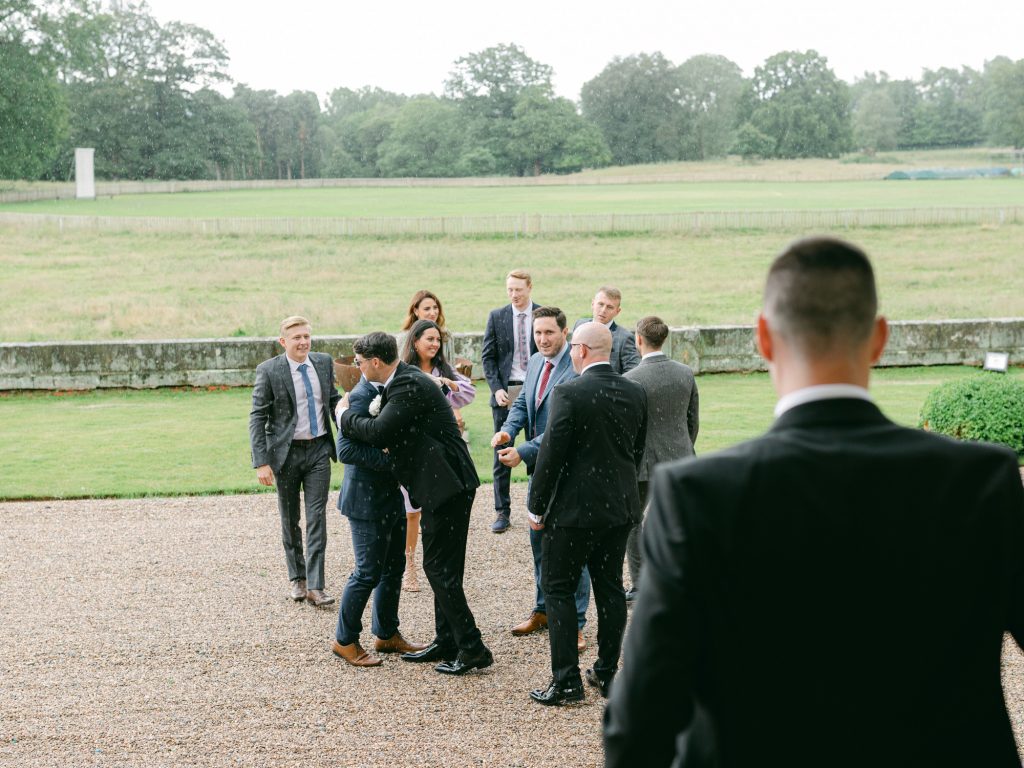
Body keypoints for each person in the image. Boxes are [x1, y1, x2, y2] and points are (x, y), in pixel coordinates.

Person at [604, 236, 1024, 767]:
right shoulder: (981, 479)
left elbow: (640, 721)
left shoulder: (696, 495)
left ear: (763, 338)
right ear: (878, 339)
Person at [337, 332, 492, 676]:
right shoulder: (407, 380)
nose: (357, 368)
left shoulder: (407, 385)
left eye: (359, 362)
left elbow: (378, 433)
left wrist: (342, 415)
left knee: (439, 569)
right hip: (440, 484)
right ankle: (446, 640)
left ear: (375, 362)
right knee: (442, 567)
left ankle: (472, 647)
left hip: (448, 486)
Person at [526, 322, 647, 706]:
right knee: (610, 587)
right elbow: (637, 452)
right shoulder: (635, 391)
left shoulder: (570, 392)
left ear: (579, 350)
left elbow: (551, 456)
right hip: (620, 509)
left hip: (575, 513)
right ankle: (608, 673)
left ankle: (566, 683)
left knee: (558, 588)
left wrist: (536, 505)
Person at [490, 307, 592, 653]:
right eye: (537, 334)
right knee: (539, 545)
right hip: (539, 475)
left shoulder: (576, 371)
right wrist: (506, 432)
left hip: (568, 473)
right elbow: (522, 407)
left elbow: (561, 430)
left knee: (571, 550)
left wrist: (524, 452)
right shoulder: (535, 363)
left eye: (549, 333)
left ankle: (577, 623)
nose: (543, 339)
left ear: (564, 333)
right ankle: (544, 609)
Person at [331, 374, 428, 666]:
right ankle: (344, 640)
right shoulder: (359, 398)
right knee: (366, 572)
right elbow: (345, 451)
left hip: (390, 497)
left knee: (394, 566)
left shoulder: (390, 392)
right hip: (365, 500)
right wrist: (391, 460)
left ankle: (386, 634)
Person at [248, 316, 341, 608]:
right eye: (296, 337)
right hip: (285, 455)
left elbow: (335, 401)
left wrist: (351, 421)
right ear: (283, 342)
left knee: (317, 518)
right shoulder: (269, 371)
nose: (302, 342)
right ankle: (297, 578)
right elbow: (257, 416)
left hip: (318, 451)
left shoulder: (324, 363)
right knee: (290, 519)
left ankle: (316, 585)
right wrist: (261, 461)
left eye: (306, 336)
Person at [621, 315, 699, 602]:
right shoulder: (685, 372)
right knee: (680, 519)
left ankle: (641, 584)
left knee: (633, 521)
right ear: (664, 339)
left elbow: (628, 428)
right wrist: (683, 448)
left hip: (642, 463)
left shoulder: (630, 379)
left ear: (638, 339)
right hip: (680, 457)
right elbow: (693, 421)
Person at [399, 319, 477, 591]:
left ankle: (443, 571)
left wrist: (446, 384)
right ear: (415, 341)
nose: (434, 344)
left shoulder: (445, 370)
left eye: (437, 340)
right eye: (428, 339)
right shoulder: (404, 370)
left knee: (439, 510)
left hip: (442, 451)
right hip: (414, 449)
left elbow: (468, 393)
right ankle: (409, 564)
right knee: (411, 511)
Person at [481, 269, 539, 533]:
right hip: (507, 391)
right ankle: (502, 511)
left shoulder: (542, 314)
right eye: (510, 290)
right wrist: (495, 389)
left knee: (537, 451)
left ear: (529, 288)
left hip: (537, 390)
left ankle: (536, 506)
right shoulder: (497, 316)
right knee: (502, 451)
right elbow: (488, 357)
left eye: (518, 289)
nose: (514, 294)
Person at [572, 286, 640, 374]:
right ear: (593, 304)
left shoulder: (625, 338)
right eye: (600, 304)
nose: (603, 310)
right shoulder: (580, 325)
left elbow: (632, 372)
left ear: (617, 311)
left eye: (610, 307)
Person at [396, 288, 456, 369]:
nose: (433, 313)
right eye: (427, 309)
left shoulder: (446, 335)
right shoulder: (404, 337)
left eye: (435, 307)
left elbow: (451, 367)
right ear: (416, 311)